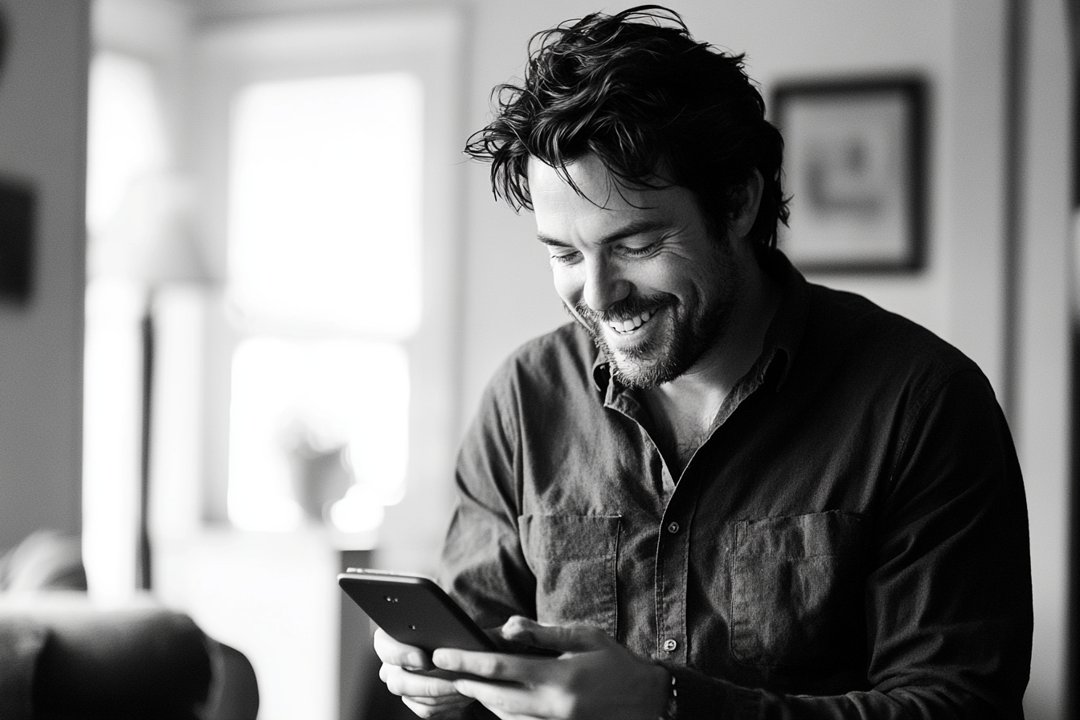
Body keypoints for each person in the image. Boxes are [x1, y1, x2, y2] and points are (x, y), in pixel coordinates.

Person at [374, 6, 1033, 719]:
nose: (596, 296)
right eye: (564, 254)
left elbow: (960, 705)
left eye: (635, 245)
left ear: (739, 202)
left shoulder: (923, 404)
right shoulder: (523, 401)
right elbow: (483, 656)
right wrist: (443, 688)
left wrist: (671, 705)